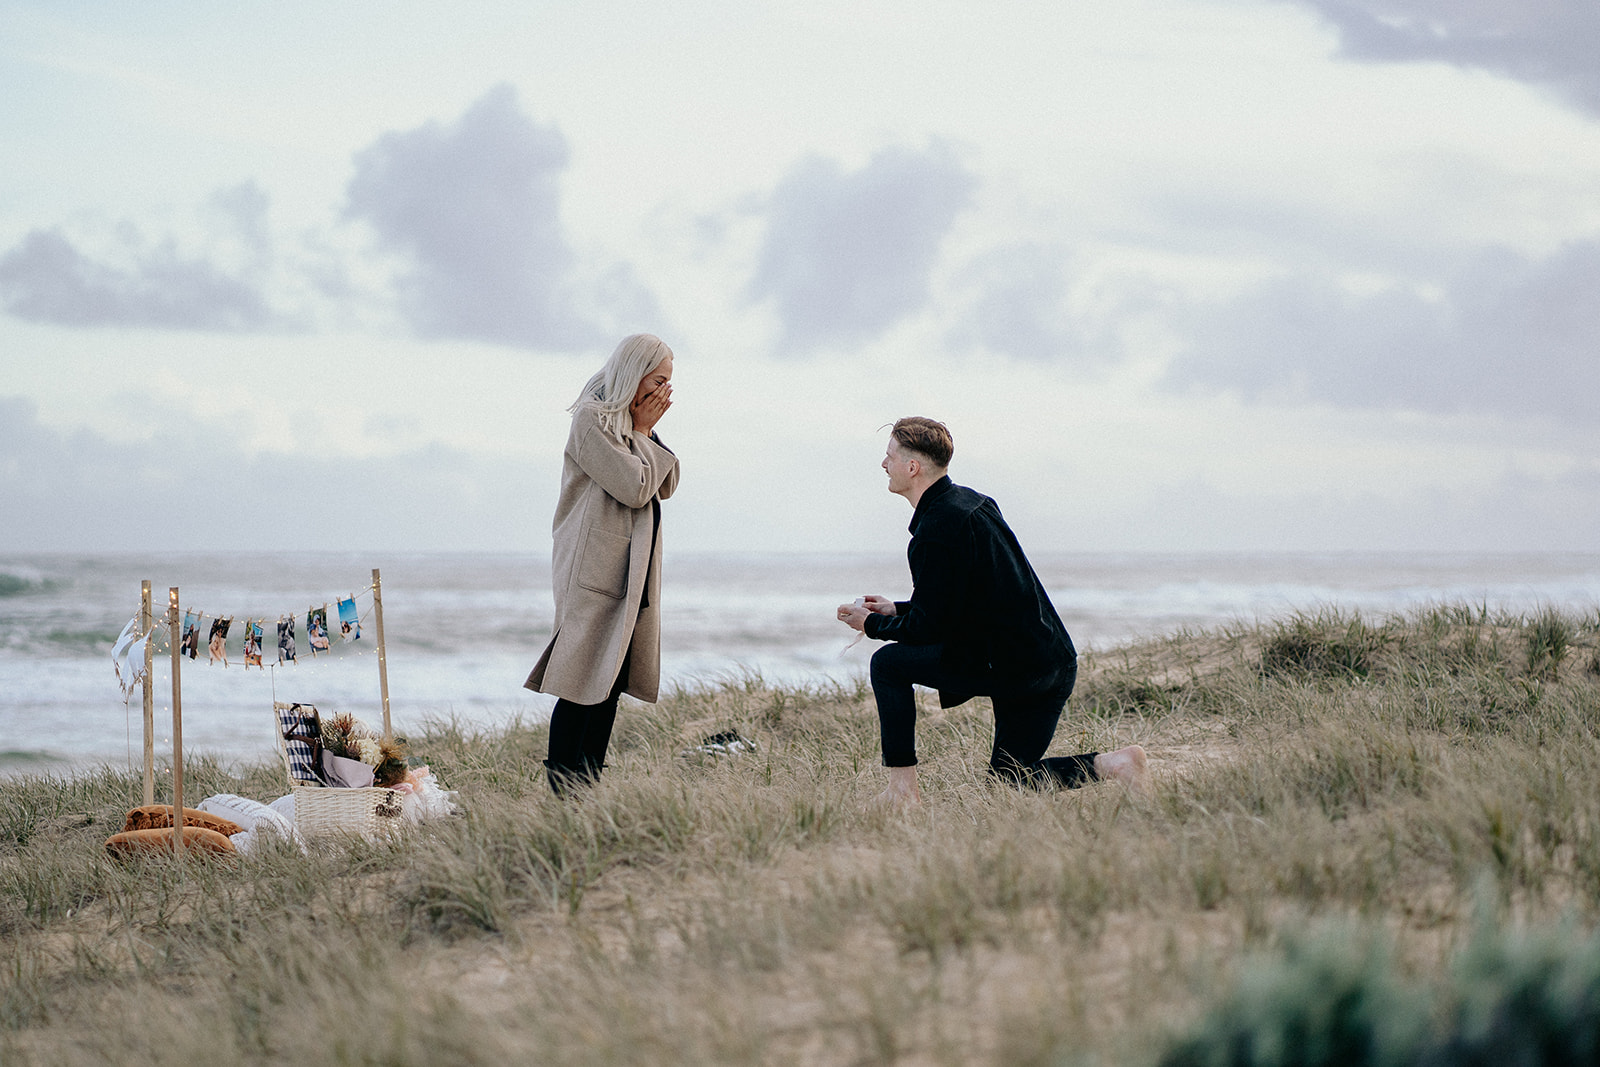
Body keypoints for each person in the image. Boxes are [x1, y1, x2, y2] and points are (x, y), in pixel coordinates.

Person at [837, 417, 1148, 806]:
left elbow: (931, 625)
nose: (884, 465)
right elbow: (964, 600)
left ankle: (902, 791)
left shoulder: (935, 530)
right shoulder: (972, 502)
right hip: (1051, 661)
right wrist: (896, 607)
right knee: (1009, 780)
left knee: (887, 664)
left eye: (889, 457)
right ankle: (1117, 764)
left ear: (912, 467)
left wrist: (873, 625)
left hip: (1012, 668)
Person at [525, 334, 680, 796]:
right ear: (634, 375)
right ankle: (563, 796)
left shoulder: (634, 425)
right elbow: (635, 487)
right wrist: (640, 434)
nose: (664, 394)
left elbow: (667, 482)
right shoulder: (592, 420)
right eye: (657, 381)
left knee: (609, 685)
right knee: (580, 681)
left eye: (668, 383)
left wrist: (643, 432)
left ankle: (586, 794)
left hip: (631, 574)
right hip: (592, 570)